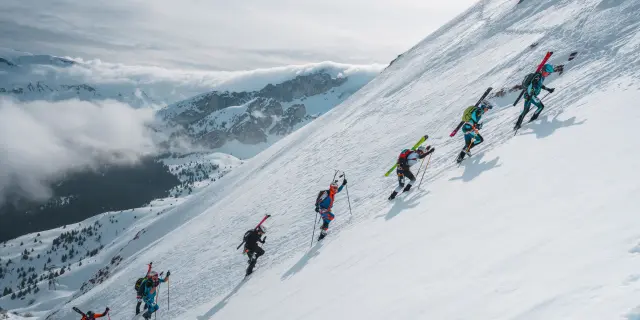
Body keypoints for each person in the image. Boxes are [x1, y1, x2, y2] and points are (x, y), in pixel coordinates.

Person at [514, 63, 555, 130]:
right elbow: (532, 85)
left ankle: (517, 125)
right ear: (544, 71)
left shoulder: (541, 76)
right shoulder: (538, 76)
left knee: (526, 110)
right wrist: (531, 92)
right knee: (540, 107)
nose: (548, 74)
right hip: (530, 96)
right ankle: (533, 120)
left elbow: (539, 85)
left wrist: (548, 89)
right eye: (548, 73)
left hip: (530, 95)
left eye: (549, 73)